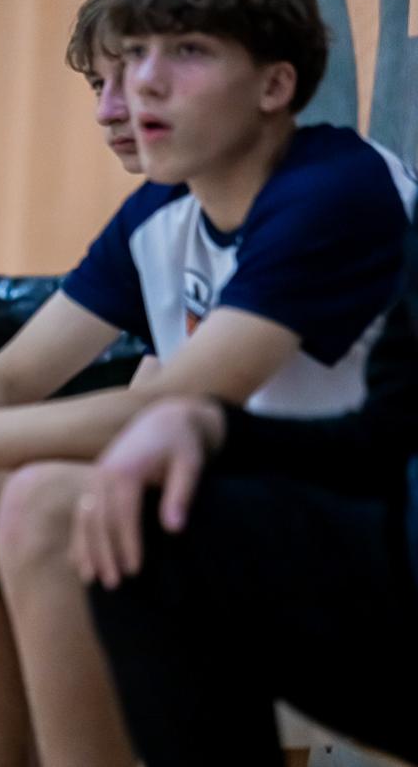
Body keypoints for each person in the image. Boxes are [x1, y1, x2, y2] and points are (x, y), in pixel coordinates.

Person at [0, 0, 416, 765]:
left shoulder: (334, 189)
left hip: (369, 532)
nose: (140, 85)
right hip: (244, 503)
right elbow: (7, 377)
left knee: (42, 503)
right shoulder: (161, 209)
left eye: (185, 51)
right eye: (130, 58)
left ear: (274, 86)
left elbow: (174, 405)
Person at [84, 196, 418, 766]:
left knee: (51, 509)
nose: (119, 120)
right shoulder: (154, 225)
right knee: (141, 524)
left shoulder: (331, 198)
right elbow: (383, 436)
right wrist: (209, 424)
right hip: (391, 557)